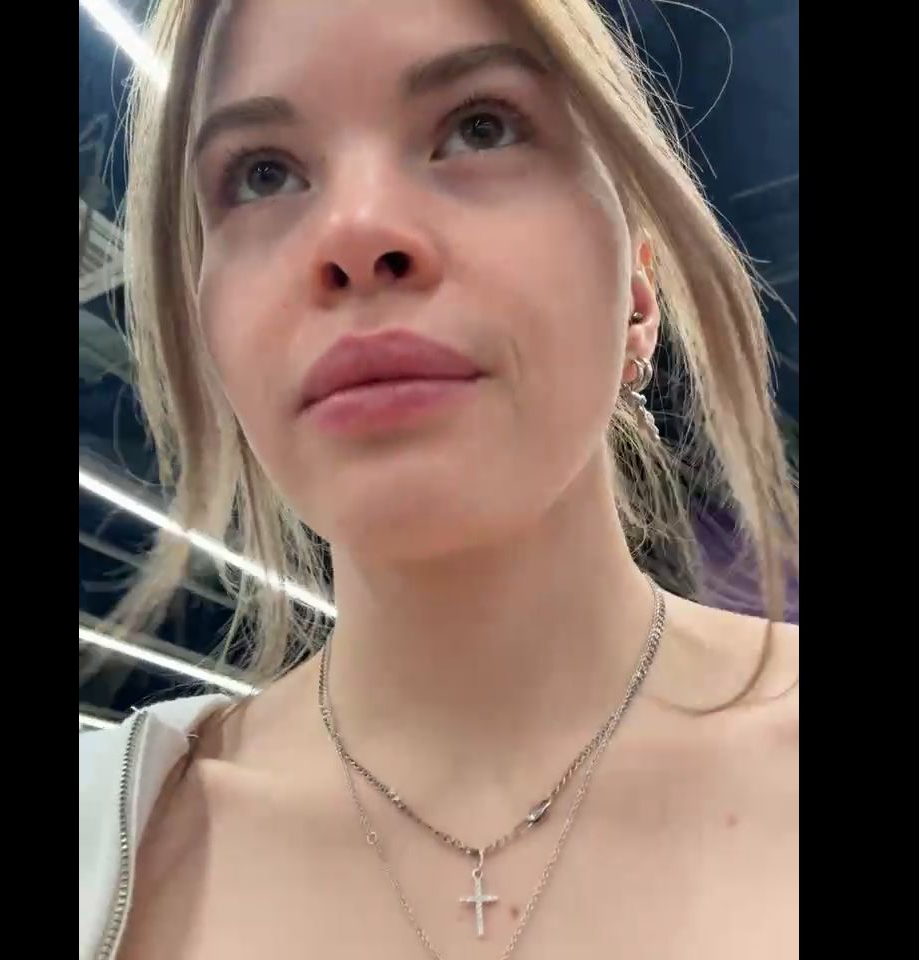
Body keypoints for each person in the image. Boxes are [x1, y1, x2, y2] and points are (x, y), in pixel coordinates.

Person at [79, 0, 799, 957]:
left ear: (637, 292)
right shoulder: (104, 841)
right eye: (261, 175)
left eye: (480, 126)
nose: (355, 231)